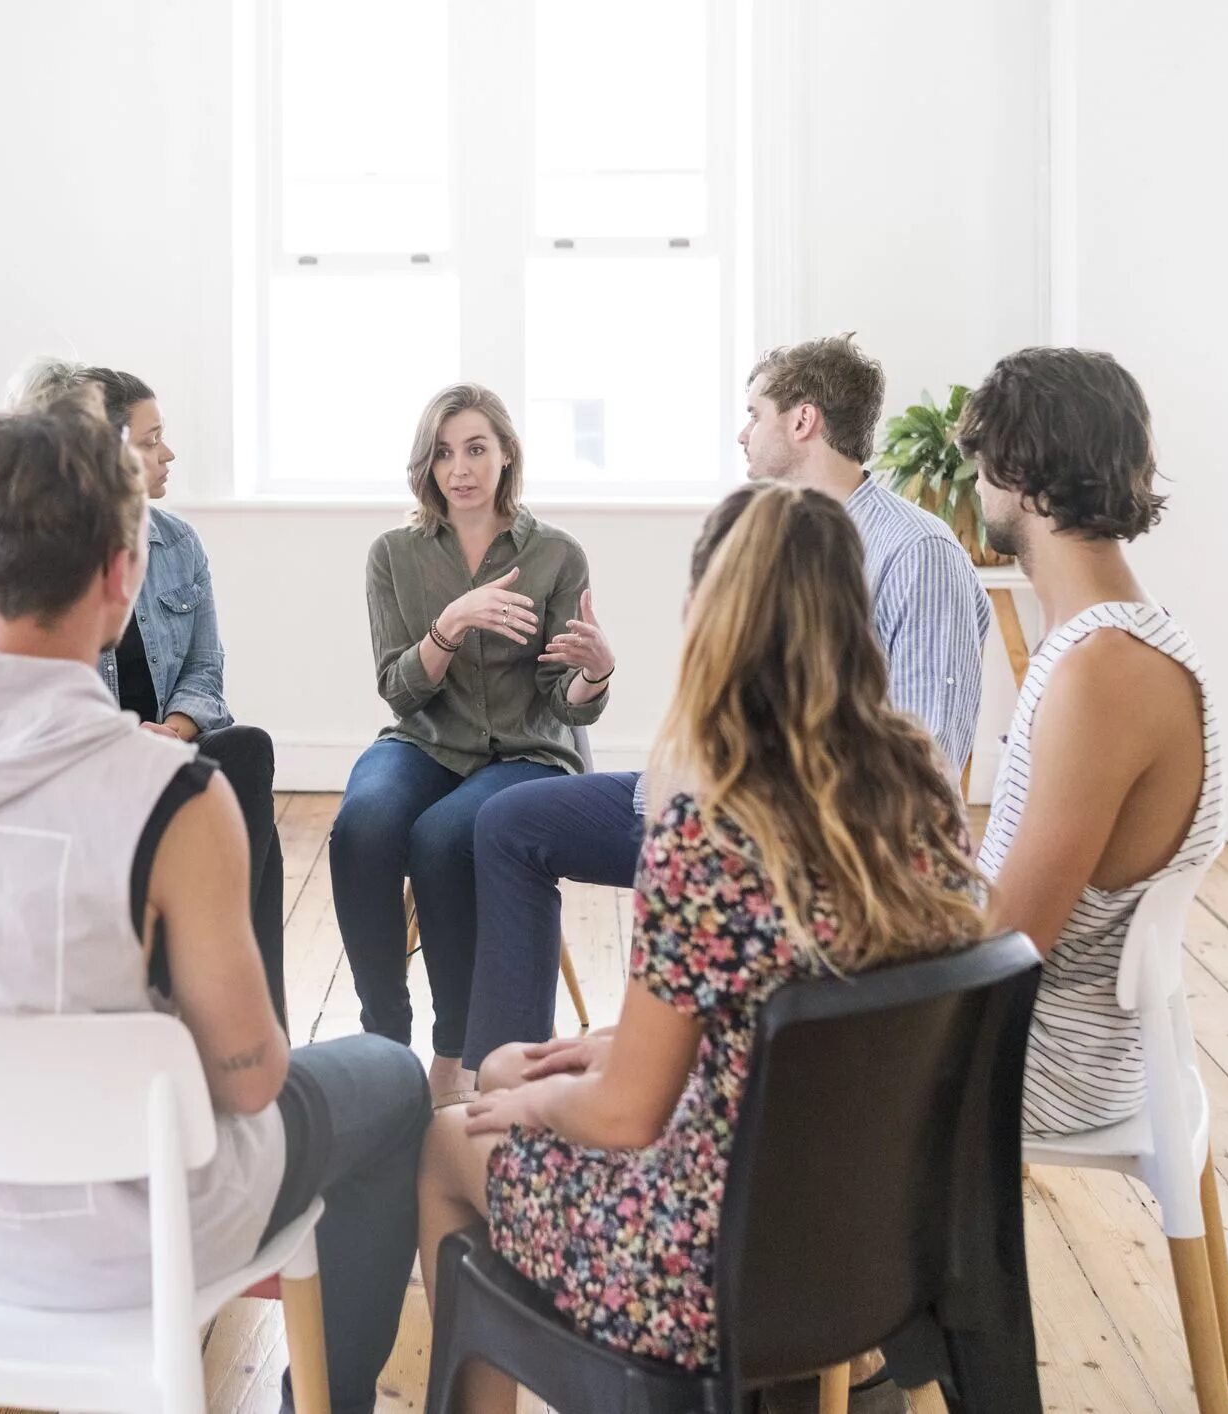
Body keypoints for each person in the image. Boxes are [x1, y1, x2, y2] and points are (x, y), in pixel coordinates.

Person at [0, 400, 430, 1414]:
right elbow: (254, 1078)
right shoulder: (169, 797)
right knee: (393, 1080)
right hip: (131, 1239)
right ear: (121, 573)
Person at [416, 482, 983, 1410]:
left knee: (453, 1137)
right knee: (523, 1071)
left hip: (708, 1269)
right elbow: (785, 1007)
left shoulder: (711, 830)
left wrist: (552, 1092)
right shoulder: (923, 804)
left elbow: (626, 1119)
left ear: (707, 617)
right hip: (877, 1238)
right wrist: (584, 1056)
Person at [461, 334, 990, 1075]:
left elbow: (928, 762)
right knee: (508, 823)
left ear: (802, 422)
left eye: (755, 412)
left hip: (787, 841)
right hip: (709, 803)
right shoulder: (765, 535)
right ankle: (503, 1074)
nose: (743, 431)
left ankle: (571, 1087)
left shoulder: (916, 552)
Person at [961, 347, 1221, 1136]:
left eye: (981, 468)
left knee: (743, 1043)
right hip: (1037, 1035)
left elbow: (1012, 940)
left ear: (1022, 475)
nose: (975, 489)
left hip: (1036, 1060)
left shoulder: (1102, 671)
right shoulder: (1108, 642)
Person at [331, 383, 612, 1100]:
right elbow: (398, 689)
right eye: (444, 453)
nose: (460, 468)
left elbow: (565, 705)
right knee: (361, 825)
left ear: (507, 454)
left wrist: (594, 674)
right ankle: (381, 1036)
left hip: (524, 751)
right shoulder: (394, 555)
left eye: (477, 449)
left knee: (442, 837)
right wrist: (449, 626)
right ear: (426, 465)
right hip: (424, 739)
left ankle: (451, 1055)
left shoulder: (555, 556)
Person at [3, 357, 288, 1023]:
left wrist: (175, 731)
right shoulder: (39, 559)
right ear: (103, 456)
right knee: (246, 789)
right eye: (150, 440)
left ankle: (223, 999)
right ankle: (229, 1006)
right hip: (87, 769)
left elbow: (206, 673)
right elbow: (27, 691)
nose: (169, 454)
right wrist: (126, 739)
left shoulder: (179, 544)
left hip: (167, 755)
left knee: (243, 754)